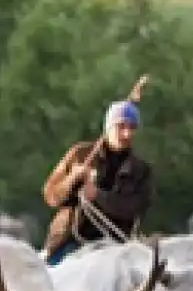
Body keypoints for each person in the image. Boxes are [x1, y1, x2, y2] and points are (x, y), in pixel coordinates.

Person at [40, 99, 156, 265]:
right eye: (121, 126)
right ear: (108, 127)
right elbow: (51, 195)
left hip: (115, 247)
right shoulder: (80, 154)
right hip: (69, 241)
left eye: (132, 128)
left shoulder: (141, 170)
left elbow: (135, 207)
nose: (127, 134)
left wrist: (97, 196)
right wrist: (72, 179)